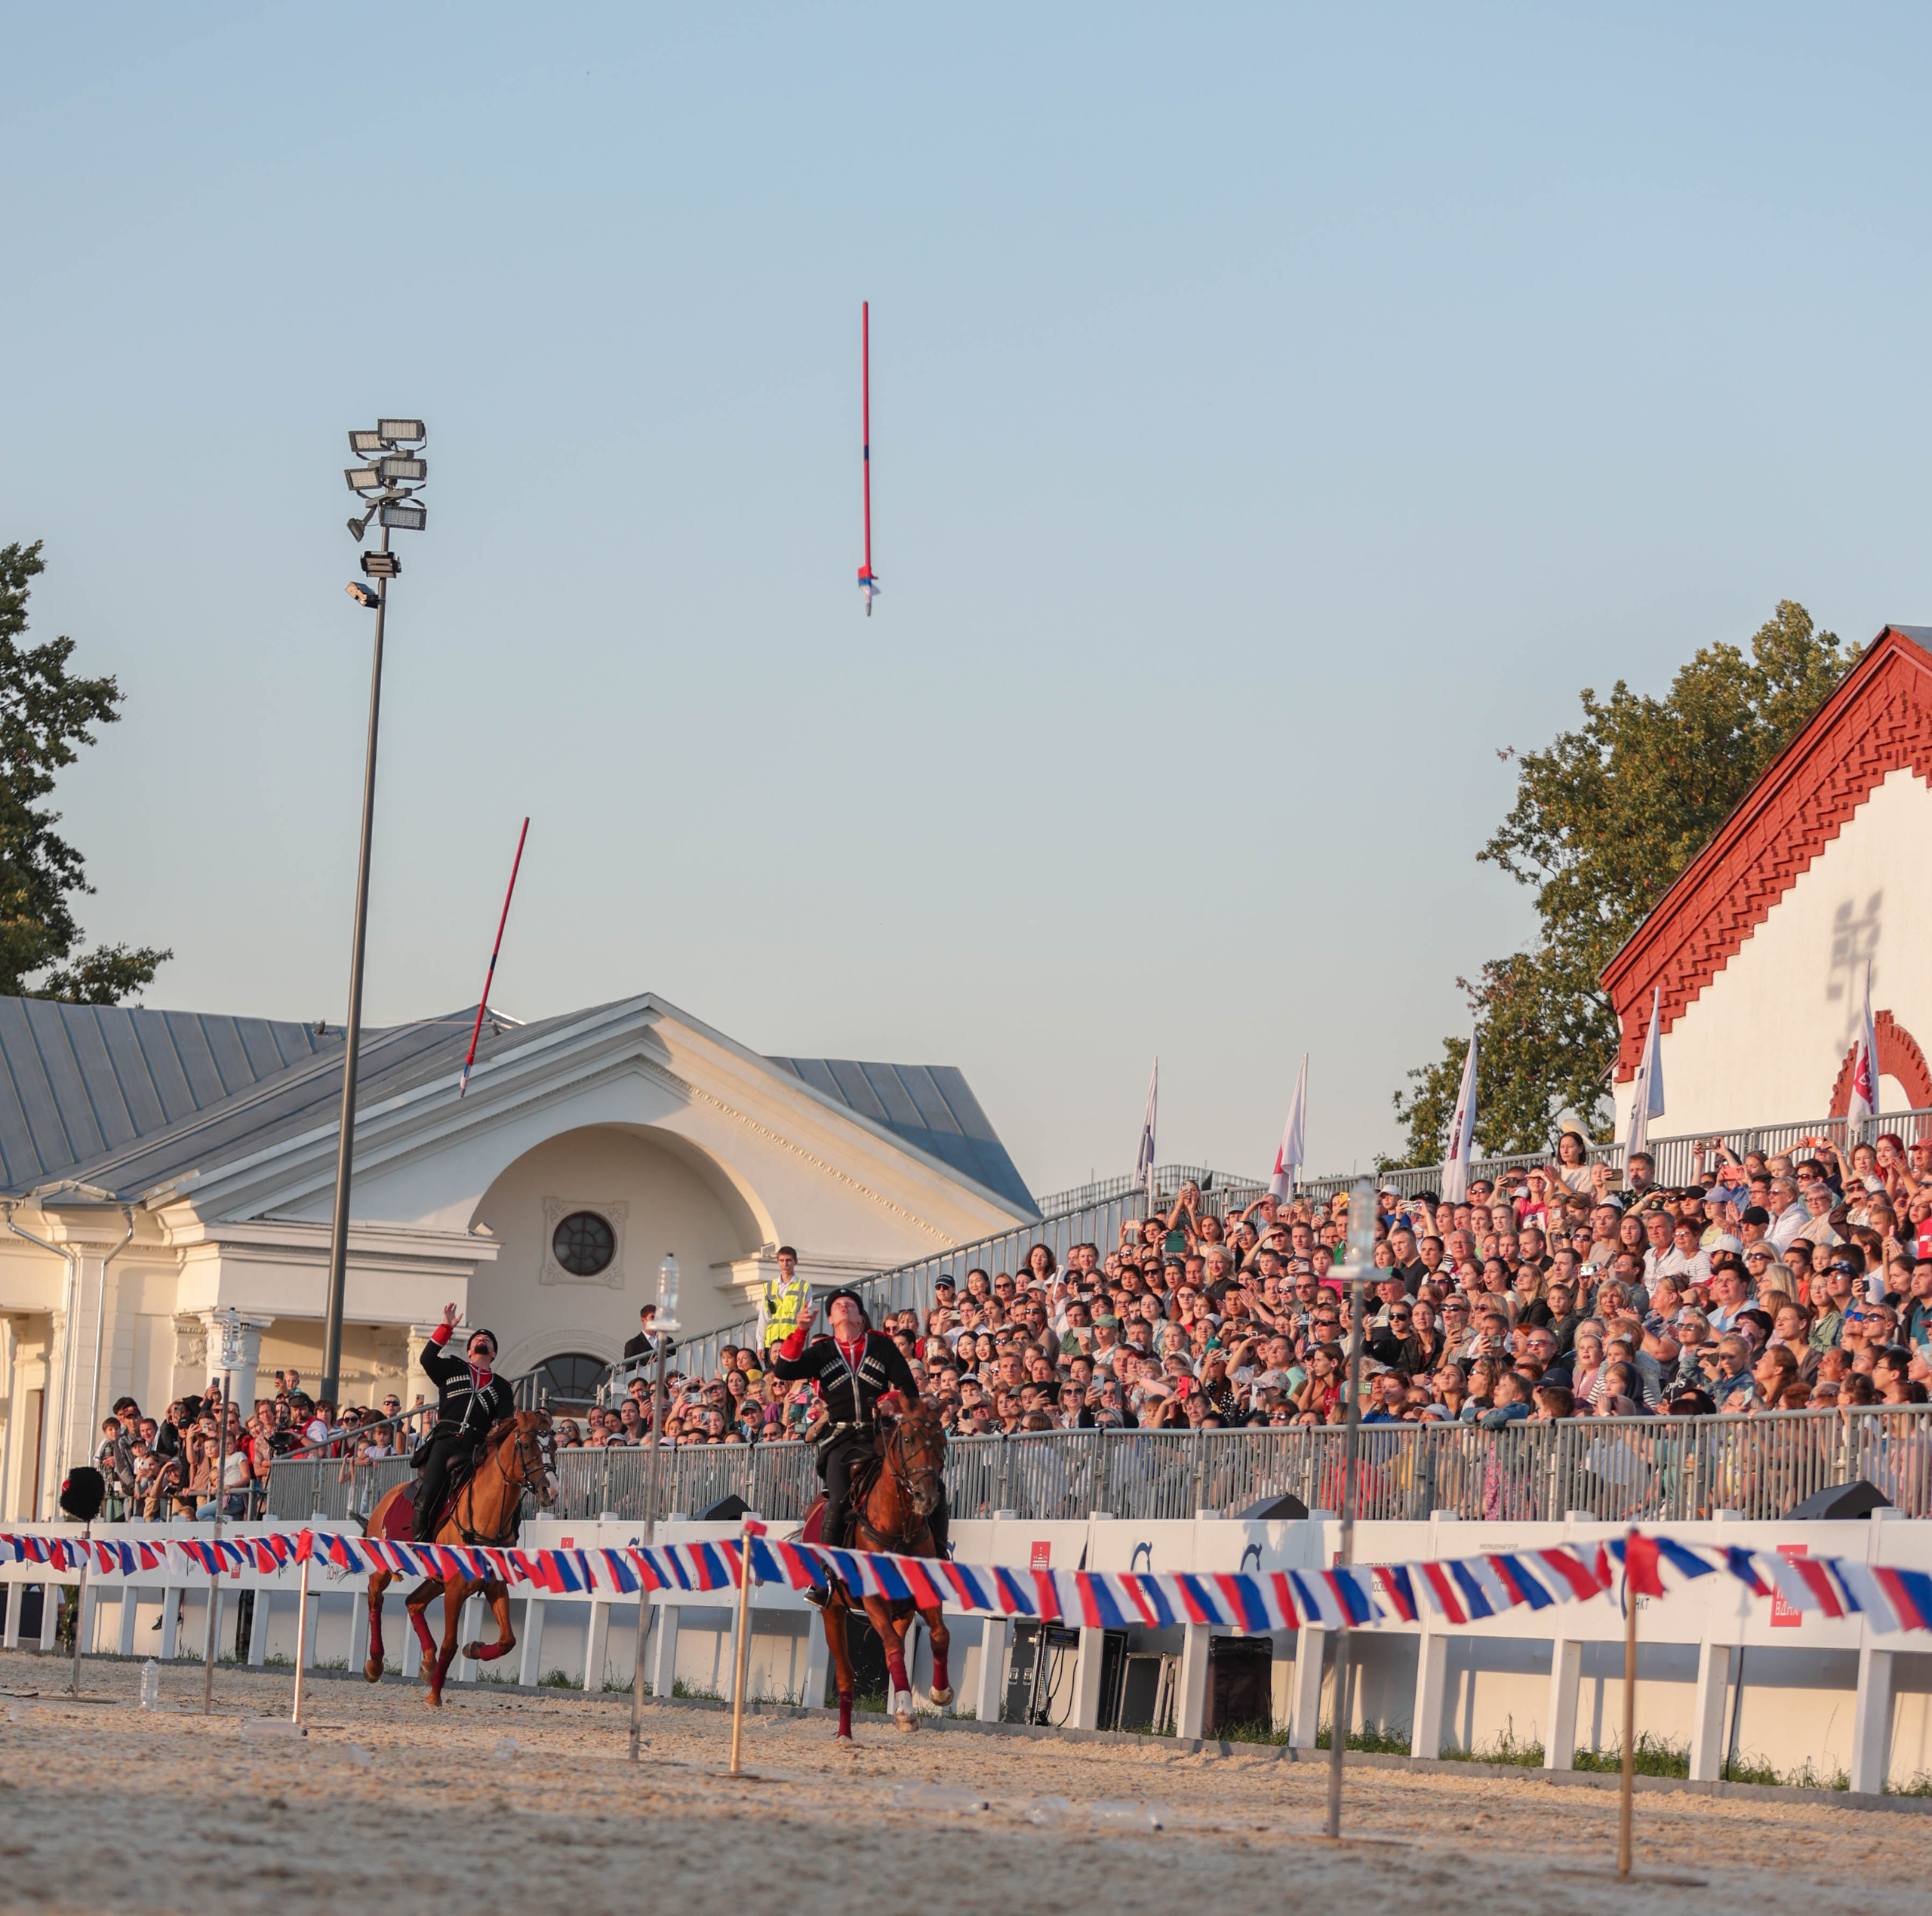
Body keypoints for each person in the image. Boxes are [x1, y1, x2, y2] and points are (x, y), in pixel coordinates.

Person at [768, 1286, 944, 1604]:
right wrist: (801, 1331)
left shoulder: (880, 1345)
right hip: (843, 1438)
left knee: (931, 1482)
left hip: (882, 1434)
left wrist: (892, 1401)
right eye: (838, 1305)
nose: (845, 1307)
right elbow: (783, 1370)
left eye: (851, 1304)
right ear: (832, 1318)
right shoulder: (821, 1352)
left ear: (861, 1316)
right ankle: (825, 1577)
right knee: (837, 1501)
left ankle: (941, 1557)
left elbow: (907, 1386)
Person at [412, 1302, 518, 1542]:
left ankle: (509, 1539)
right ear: (469, 1351)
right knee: (426, 1496)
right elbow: (427, 1358)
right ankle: (420, 1545)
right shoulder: (451, 1366)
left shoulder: (502, 1386)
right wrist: (446, 1328)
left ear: (494, 1353)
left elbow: (505, 1421)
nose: (483, 1340)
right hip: (445, 1441)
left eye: (488, 1340)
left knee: (507, 1490)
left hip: (477, 1447)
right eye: (478, 1339)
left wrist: (502, 1429)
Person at [759, 1245, 812, 1355]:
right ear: (778, 1262)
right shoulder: (768, 1287)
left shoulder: (804, 1286)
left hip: (792, 1341)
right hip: (771, 1344)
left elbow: (807, 1317)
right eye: (782, 1260)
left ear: (795, 1262)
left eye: (788, 1260)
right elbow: (763, 1317)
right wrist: (760, 1345)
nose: (785, 1264)